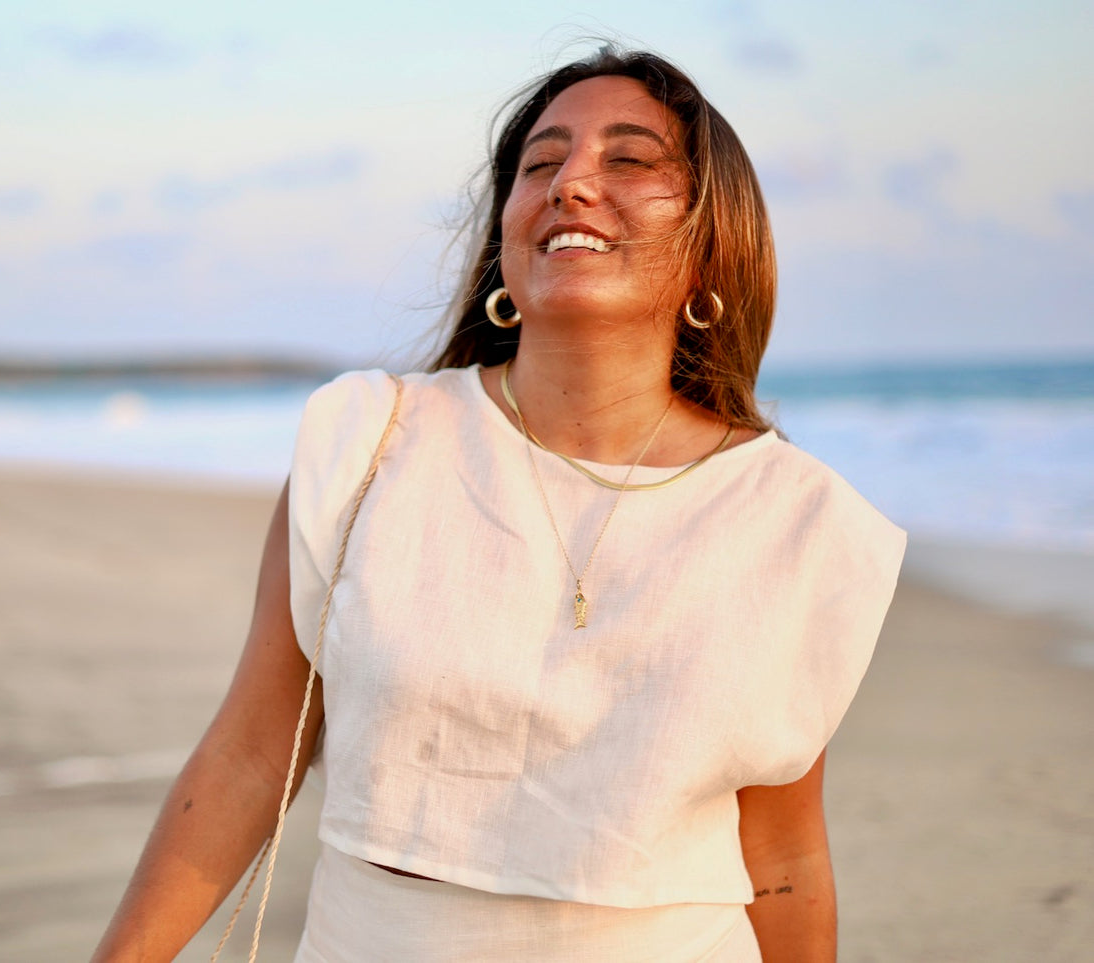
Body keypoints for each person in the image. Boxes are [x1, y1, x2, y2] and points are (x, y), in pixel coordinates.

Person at [91, 44, 905, 962]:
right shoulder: (369, 444)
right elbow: (249, 754)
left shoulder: (794, 520)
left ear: (710, 239)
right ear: (505, 234)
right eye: (540, 164)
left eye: (628, 159)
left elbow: (784, 854)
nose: (571, 184)